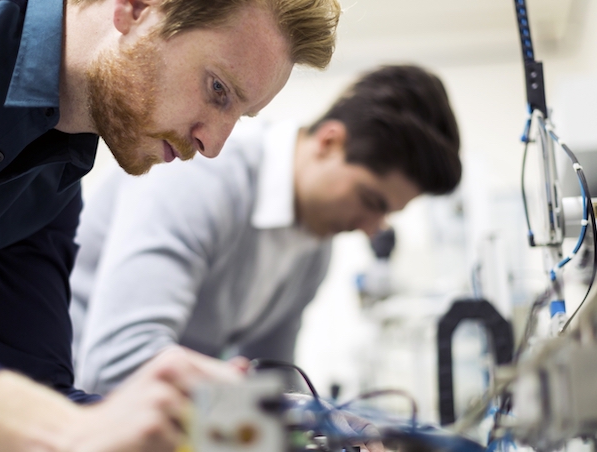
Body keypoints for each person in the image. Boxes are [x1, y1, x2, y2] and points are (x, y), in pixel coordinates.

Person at [0, 0, 340, 449]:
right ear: (140, 2)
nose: (212, 144)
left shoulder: (50, 183)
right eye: (217, 90)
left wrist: (269, 431)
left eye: (238, 115)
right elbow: (55, 427)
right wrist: (43, 424)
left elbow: (42, 392)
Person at [69, 65, 462, 395]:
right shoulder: (203, 174)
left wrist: (327, 419)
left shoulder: (313, 246)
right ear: (329, 141)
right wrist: (284, 410)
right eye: (372, 201)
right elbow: (116, 364)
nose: (372, 228)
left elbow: (275, 375)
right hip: (64, 407)